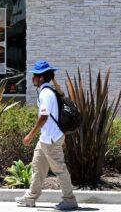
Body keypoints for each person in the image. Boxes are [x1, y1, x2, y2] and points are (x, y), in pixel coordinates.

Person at [15, 60, 78, 211]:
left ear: (41, 78)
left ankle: (69, 200)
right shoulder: (52, 91)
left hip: (50, 139)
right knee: (38, 167)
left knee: (59, 169)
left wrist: (30, 135)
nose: (32, 79)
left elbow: (44, 117)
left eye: (35, 76)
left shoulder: (46, 93)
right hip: (46, 138)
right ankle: (30, 198)